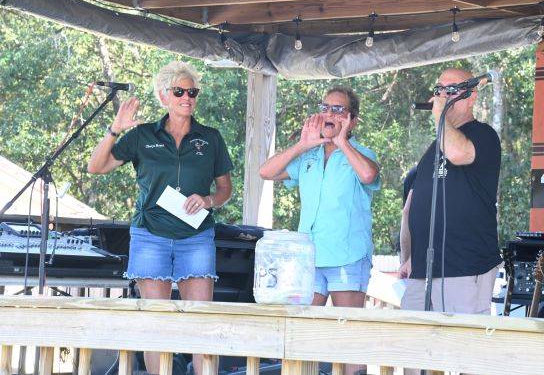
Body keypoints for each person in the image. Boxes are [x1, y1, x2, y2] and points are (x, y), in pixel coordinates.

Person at [87, 61, 233, 375]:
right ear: (163, 95)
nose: (187, 97)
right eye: (179, 91)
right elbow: (96, 167)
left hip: (195, 238)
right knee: (156, 324)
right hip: (150, 236)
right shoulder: (141, 136)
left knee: (202, 324)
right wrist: (116, 128)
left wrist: (207, 200)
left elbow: (225, 190)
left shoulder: (210, 138)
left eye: (192, 92)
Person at [259, 87, 380, 302]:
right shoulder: (309, 155)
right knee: (304, 325)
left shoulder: (361, 154)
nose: (329, 114)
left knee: (345, 327)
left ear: (352, 121)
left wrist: (341, 142)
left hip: (347, 255)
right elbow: (266, 172)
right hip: (308, 255)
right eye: (325, 108)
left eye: (338, 109)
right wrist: (301, 145)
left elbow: (369, 175)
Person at [399, 68, 502, 315]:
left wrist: (439, 117)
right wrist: (411, 256)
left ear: (471, 96)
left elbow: (458, 154)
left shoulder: (483, 135)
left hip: (463, 267)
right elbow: (411, 208)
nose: (442, 95)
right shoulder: (432, 150)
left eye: (451, 89)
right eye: (438, 89)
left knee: (458, 347)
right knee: (410, 344)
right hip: (423, 270)